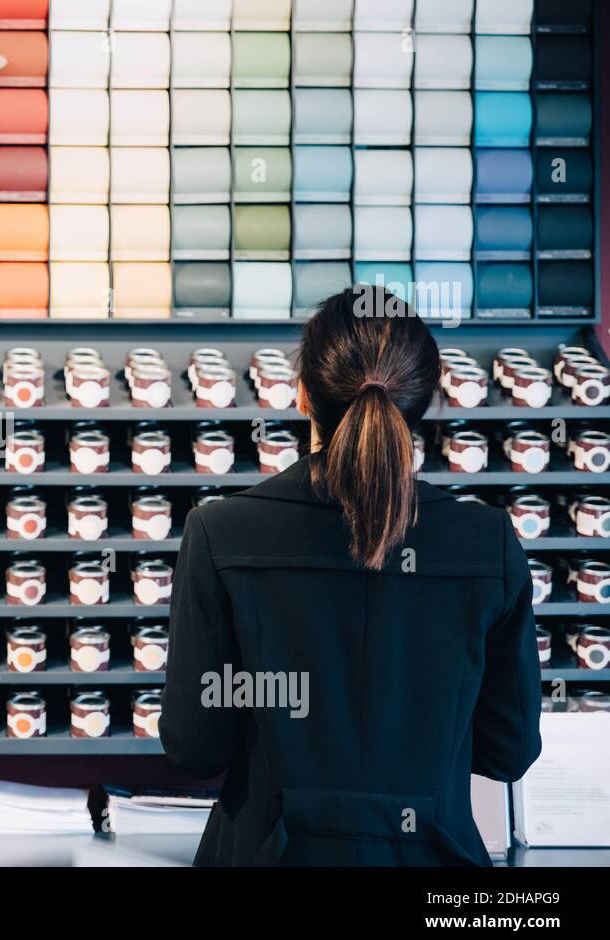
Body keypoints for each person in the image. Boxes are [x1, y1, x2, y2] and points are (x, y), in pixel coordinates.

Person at [160, 286, 541, 866]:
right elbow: (507, 752)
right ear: (427, 398)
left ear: (303, 395)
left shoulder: (222, 534)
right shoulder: (488, 544)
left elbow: (195, 746)